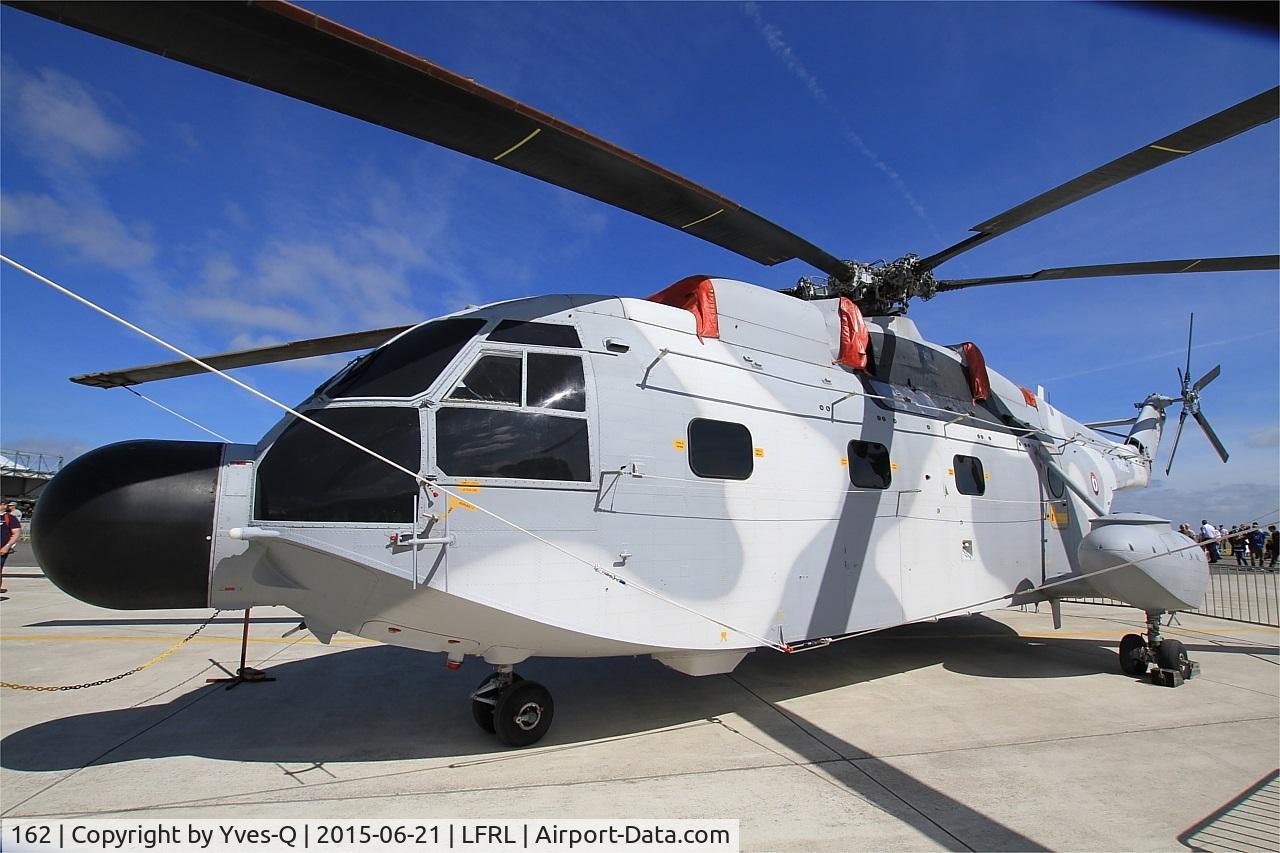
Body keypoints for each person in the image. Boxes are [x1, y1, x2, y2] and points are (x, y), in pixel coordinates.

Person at [0, 502, 20, 595]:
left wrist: (7, 546)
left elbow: (16, 533)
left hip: (2, 549)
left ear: (4, 505)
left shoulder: (10, 518)